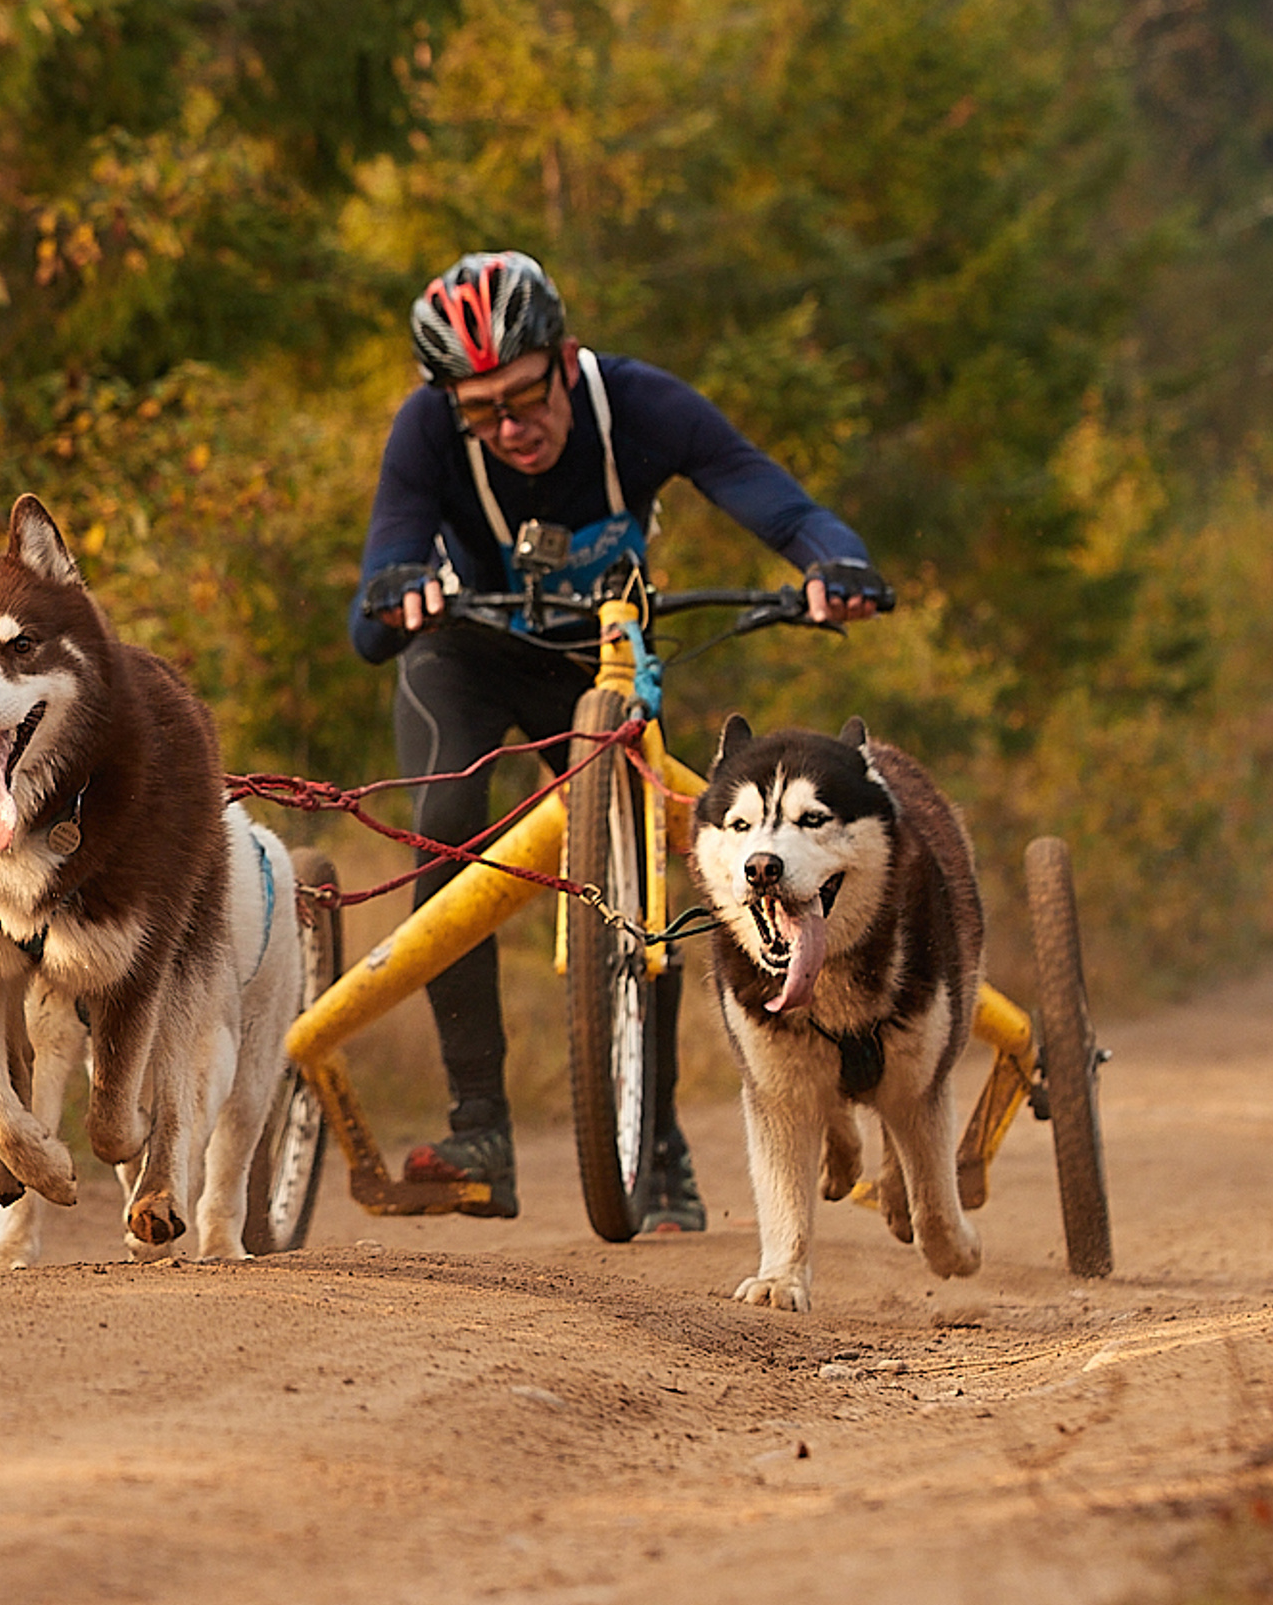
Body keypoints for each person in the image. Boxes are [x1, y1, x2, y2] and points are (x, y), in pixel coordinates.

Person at [351, 248, 887, 1228]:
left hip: (598, 662)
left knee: (644, 862)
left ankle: (657, 1146)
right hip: (464, 654)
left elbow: (768, 496)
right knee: (446, 821)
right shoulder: (425, 430)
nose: (511, 428)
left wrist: (831, 560)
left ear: (565, 359)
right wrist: (394, 588)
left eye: (524, 396)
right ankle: (477, 1127)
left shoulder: (640, 405)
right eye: (483, 411)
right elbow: (378, 581)